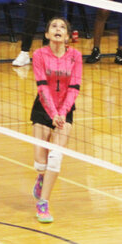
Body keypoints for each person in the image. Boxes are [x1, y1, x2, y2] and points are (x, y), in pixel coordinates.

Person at [30, 17, 82, 223]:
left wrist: (62, 113)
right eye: (53, 26)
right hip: (43, 108)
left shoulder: (75, 56)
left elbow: (74, 88)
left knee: (55, 158)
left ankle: (43, 203)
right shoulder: (39, 55)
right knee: (40, 162)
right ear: (47, 34)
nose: (58, 29)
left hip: (65, 109)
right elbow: (42, 87)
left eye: (62, 27)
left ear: (68, 36)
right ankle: (41, 177)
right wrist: (53, 114)